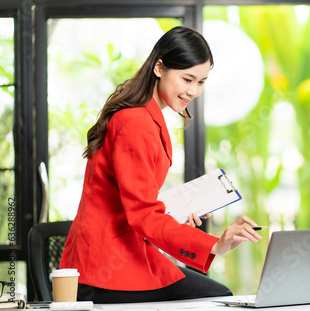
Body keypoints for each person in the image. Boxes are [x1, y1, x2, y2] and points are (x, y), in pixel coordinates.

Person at [59, 26, 262, 303]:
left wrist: (172, 213)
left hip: (112, 259)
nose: (193, 91)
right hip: (106, 268)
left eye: (201, 82)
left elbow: (134, 199)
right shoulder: (136, 122)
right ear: (159, 68)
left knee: (210, 294)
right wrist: (215, 244)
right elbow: (142, 214)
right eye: (187, 79)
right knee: (217, 297)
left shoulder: (143, 116)